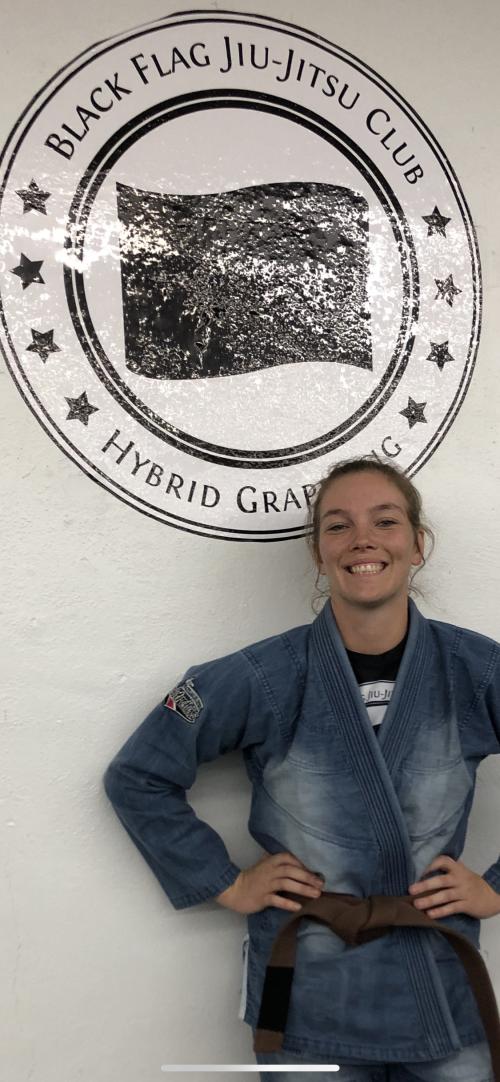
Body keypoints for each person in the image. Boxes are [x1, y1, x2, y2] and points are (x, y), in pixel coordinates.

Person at [103, 457, 500, 1082]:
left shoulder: (475, 669)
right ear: (319, 553)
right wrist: (227, 882)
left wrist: (496, 888)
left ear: (418, 544)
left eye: (385, 521)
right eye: (338, 526)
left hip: (439, 977)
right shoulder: (261, 676)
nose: (362, 539)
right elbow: (138, 774)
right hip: (304, 984)